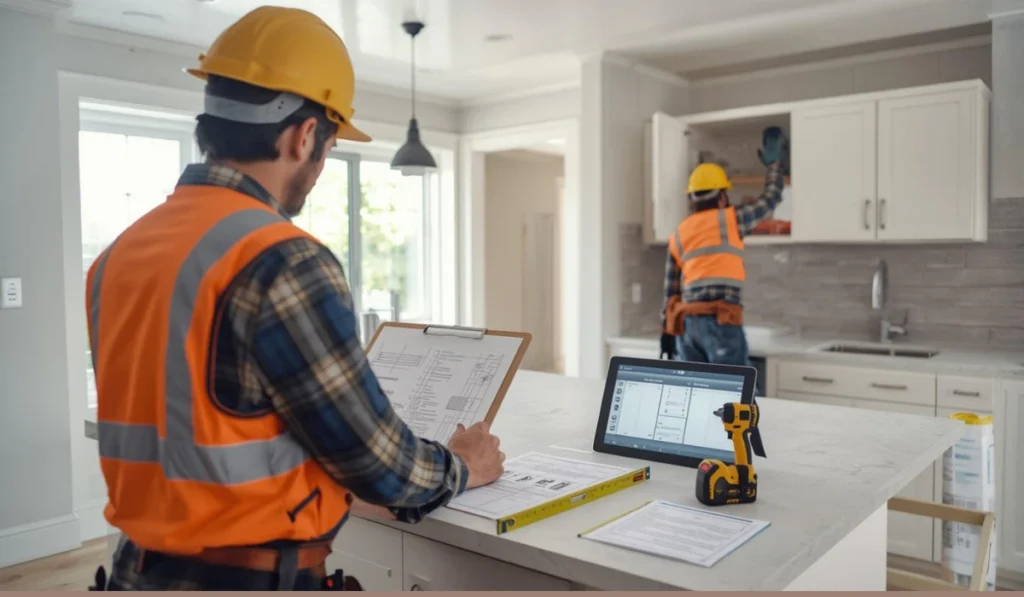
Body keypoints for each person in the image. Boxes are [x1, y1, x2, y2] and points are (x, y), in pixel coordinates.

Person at [86, 6, 504, 591]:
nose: (321, 165)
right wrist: (465, 464)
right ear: (305, 135)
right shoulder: (282, 259)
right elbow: (382, 466)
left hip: (139, 573)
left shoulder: (119, 254)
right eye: (329, 147)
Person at [659, 133, 787, 366]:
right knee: (737, 393)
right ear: (722, 197)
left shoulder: (680, 232)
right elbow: (770, 199)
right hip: (720, 322)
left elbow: (670, 292)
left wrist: (666, 333)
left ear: (692, 200)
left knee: (695, 393)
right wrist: (775, 165)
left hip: (687, 327)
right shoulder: (732, 219)